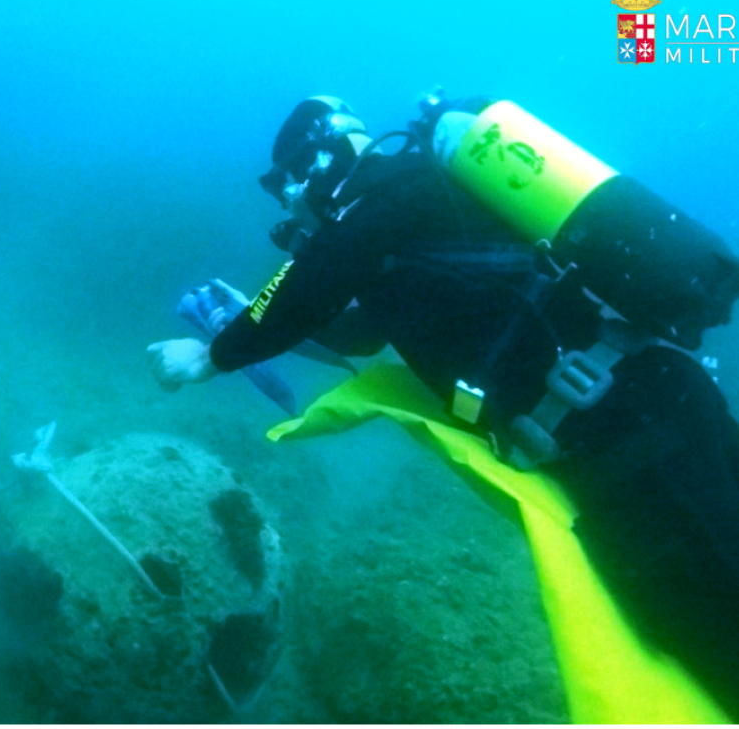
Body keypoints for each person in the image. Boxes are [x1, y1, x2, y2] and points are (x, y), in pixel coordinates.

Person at [148, 93, 739, 716]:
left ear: (315, 161)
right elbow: (355, 327)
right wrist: (252, 318)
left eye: (286, 187)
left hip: (633, 438)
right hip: (645, 407)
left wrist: (213, 356)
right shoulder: (410, 213)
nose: (291, 205)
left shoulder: (388, 195)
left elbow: (310, 283)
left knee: (713, 619)